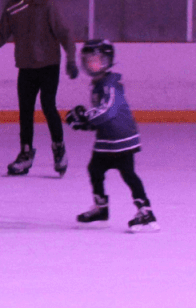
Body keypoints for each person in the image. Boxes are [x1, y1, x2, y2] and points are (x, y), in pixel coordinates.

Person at [0, 0, 77, 177]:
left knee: (48, 105)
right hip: (26, 66)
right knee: (26, 110)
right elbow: (2, 34)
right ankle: (26, 153)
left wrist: (71, 59)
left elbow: (63, 32)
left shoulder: (46, 3)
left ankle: (59, 149)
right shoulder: (13, 6)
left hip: (49, 64)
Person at [65, 41, 158, 232]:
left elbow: (108, 111)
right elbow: (101, 114)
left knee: (128, 174)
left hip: (121, 138)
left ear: (108, 61)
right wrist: (86, 123)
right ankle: (101, 208)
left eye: (97, 60)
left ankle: (146, 212)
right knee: (95, 169)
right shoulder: (98, 84)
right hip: (106, 139)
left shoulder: (110, 85)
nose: (92, 64)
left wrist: (86, 117)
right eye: (88, 61)